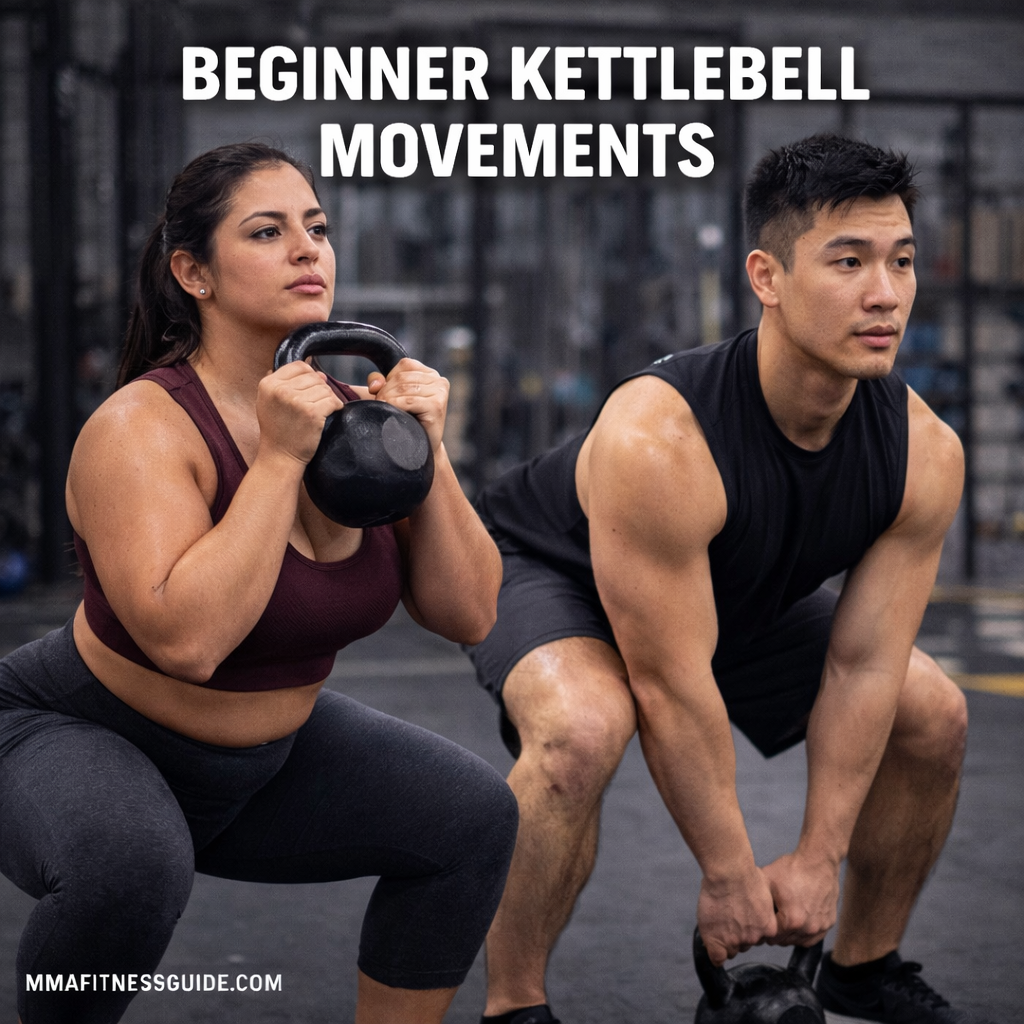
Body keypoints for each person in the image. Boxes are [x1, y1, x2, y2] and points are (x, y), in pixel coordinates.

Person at [463, 133, 994, 1024]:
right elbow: (671, 684)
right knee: (583, 729)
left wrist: (818, 859)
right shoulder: (660, 439)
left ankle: (862, 965)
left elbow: (864, 665)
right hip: (547, 566)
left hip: (726, 594)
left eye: (901, 261)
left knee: (931, 710)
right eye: (849, 261)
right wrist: (729, 875)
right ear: (766, 276)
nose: (886, 293)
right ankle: (515, 1006)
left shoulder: (924, 452)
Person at [0, 142, 518, 1024]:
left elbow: (467, 611)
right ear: (193, 272)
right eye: (268, 232)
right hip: (72, 733)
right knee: (129, 868)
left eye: (316, 227)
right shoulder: (140, 429)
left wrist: (429, 451)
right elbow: (190, 643)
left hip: (260, 766)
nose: (308, 249)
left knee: (470, 818)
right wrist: (278, 461)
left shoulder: (357, 419)